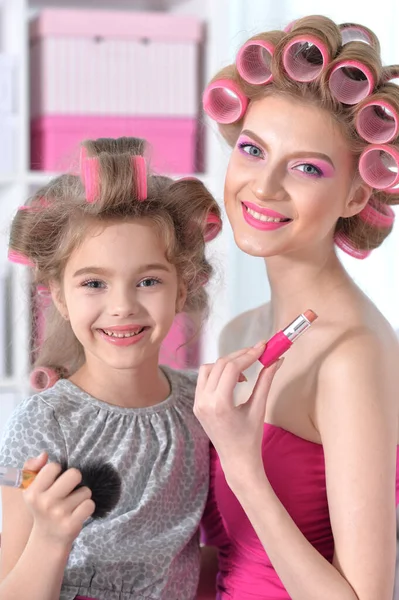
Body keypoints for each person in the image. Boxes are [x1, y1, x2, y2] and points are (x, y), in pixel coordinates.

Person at [195, 15, 399, 600]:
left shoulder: (350, 357)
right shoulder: (244, 328)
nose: (264, 187)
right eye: (254, 150)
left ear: (357, 194)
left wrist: (244, 467)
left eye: (307, 167)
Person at [0, 136, 222, 600]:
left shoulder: (199, 408)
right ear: (60, 296)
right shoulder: (46, 425)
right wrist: (50, 536)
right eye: (94, 283)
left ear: (181, 290)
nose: (122, 306)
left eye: (148, 281)